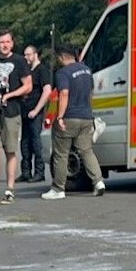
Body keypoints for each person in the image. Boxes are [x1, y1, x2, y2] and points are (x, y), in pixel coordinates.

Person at [0, 31, 34, 205]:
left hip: (10, 110)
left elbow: (28, 86)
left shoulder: (19, 61)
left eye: (7, 42)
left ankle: (9, 189)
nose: (4, 45)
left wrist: (9, 95)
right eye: (1, 42)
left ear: (12, 43)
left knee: (10, 150)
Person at [43, 45, 103, 199]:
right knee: (86, 150)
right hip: (86, 116)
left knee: (61, 154)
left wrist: (60, 116)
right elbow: (91, 92)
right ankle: (98, 181)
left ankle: (58, 189)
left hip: (70, 117)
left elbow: (64, 93)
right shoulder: (87, 71)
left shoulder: (63, 73)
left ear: (62, 57)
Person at [20, 45, 54, 181]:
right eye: (25, 55)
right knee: (25, 142)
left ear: (35, 54)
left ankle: (39, 173)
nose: (26, 57)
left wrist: (36, 110)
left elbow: (47, 91)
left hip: (36, 111)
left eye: (28, 55)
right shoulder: (27, 71)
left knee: (36, 142)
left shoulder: (42, 70)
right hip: (24, 111)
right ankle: (26, 172)